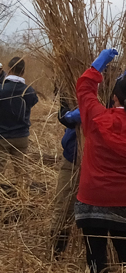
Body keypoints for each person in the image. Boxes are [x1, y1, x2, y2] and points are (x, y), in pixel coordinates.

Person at [73, 48, 126, 273]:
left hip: (91, 199)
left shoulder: (96, 118)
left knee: (95, 251)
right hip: (122, 201)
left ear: (114, 98)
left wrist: (97, 67)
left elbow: (84, 89)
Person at [50, 102, 80, 259]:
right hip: (73, 158)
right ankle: (56, 252)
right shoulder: (77, 86)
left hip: (102, 161)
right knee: (63, 207)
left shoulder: (117, 85)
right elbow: (65, 117)